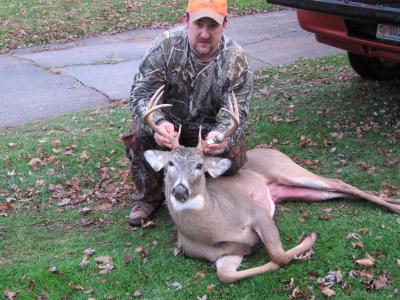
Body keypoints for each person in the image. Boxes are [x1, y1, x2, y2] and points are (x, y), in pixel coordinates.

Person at [123, 0, 253, 226]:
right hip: (170, 127)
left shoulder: (235, 59)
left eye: (212, 26)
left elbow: (238, 111)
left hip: (208, 132)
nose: (204, 33)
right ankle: (149, 198)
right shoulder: (166, 46)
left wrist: (222, 136)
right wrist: (158, 122)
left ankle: (201, 191)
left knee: (234, 158)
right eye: (198, 24)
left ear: (224, 25)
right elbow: (140, 94)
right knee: (139, 133)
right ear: (186, 21)